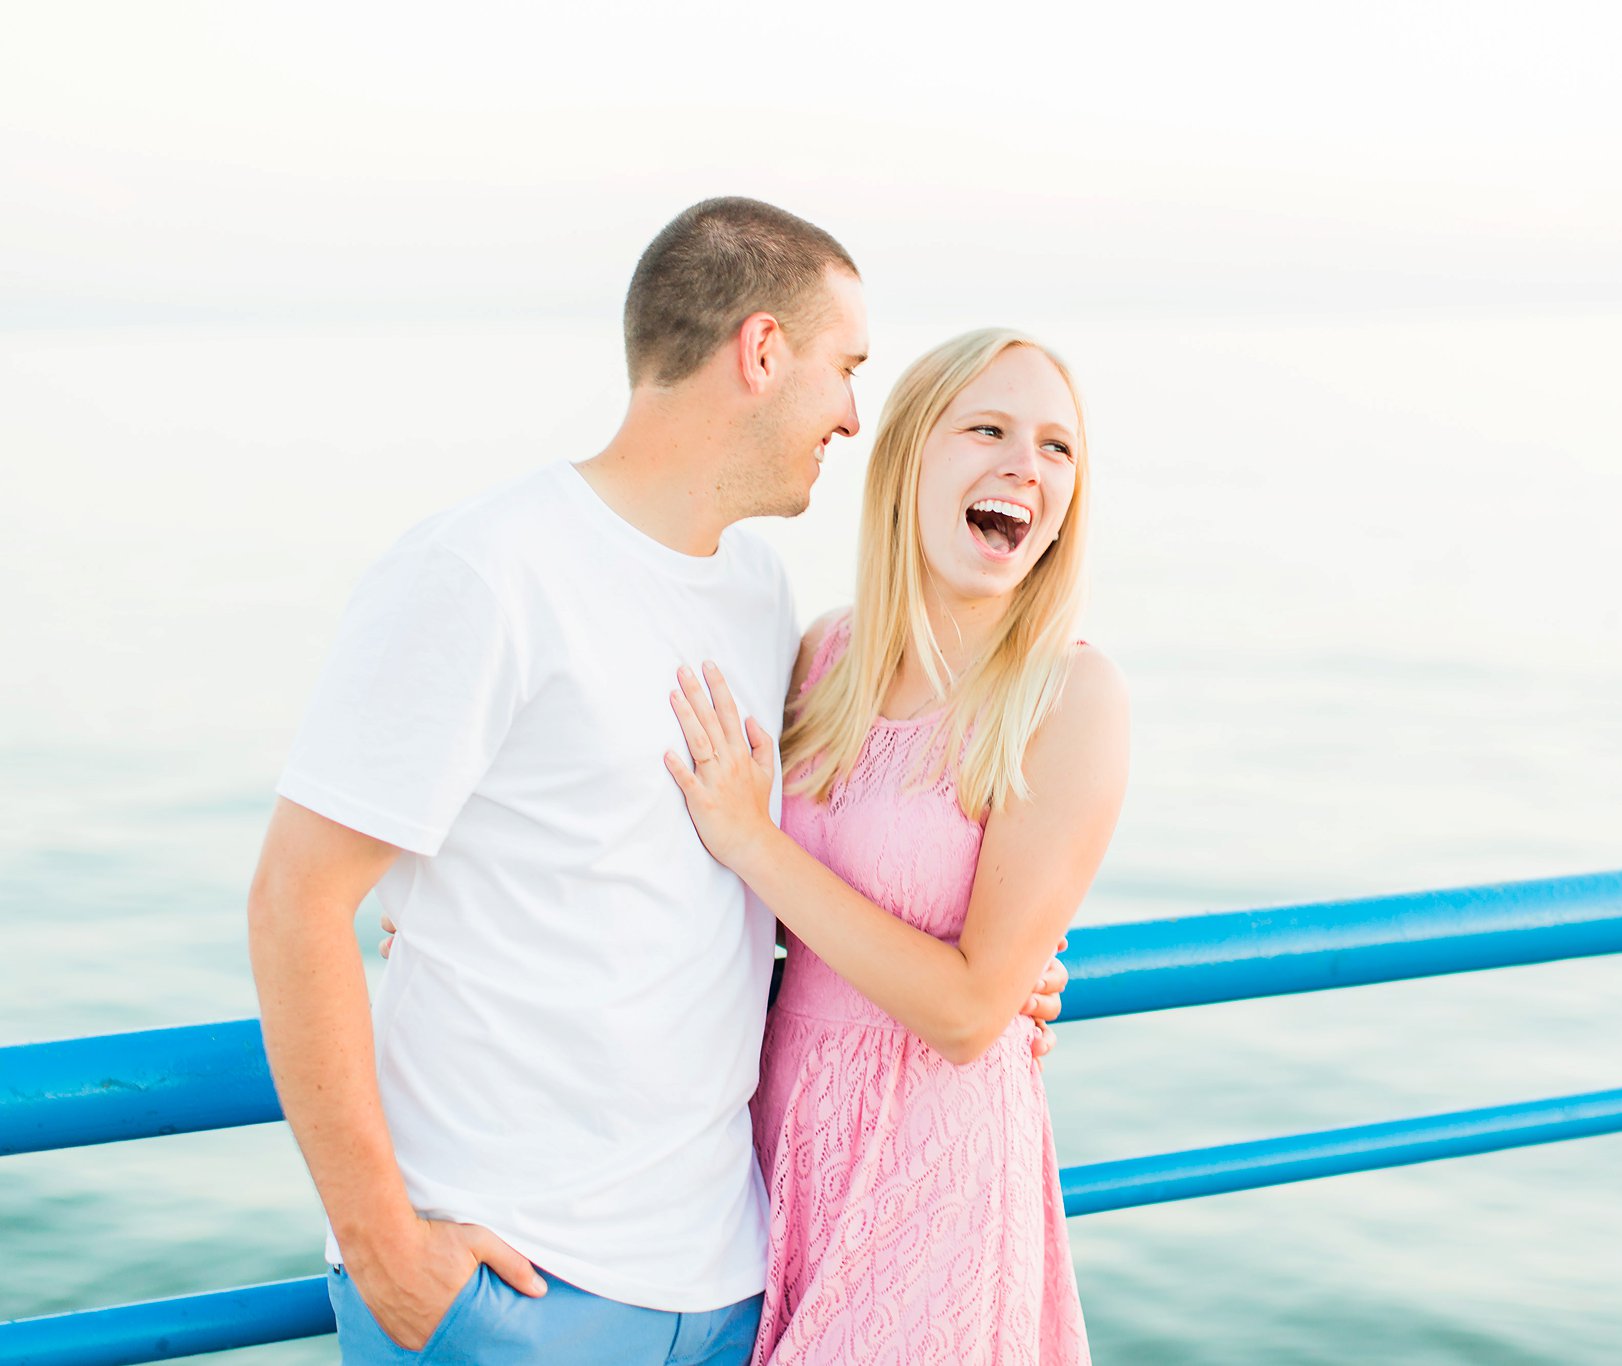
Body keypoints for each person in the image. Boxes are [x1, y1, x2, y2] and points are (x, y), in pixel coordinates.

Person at [245, 198, 1062, 1366]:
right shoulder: (486, 567)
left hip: (731, 1279)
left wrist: (987, 966)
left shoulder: (759, 594)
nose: (849, 410)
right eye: (843, 366)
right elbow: (296, 900)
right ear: (762, 350)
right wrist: (385, 1252)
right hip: (511, 1286)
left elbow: (726, 881)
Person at [663, 329, 1128, 1364]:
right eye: (988, 429)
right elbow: (687, 830)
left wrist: (755, 842)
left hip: (935, 1161)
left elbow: (968, 1012)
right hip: (775, 1139)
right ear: (909, 458)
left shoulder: (1069, 696)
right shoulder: (820, 655)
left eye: (1057, 447)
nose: (1025, 464)